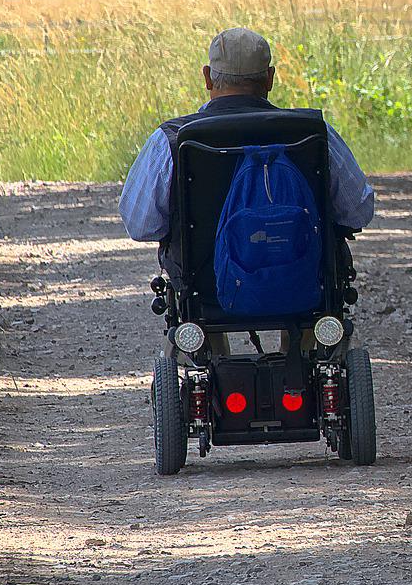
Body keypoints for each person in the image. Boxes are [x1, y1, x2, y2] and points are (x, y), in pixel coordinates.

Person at [119, 27, 375, 352]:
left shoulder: (171, 139)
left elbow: (142, 226)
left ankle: (210, 380)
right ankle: (298, 366)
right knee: (317, 293)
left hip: (206, 287)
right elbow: (358, 211)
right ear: (269, 78)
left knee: (194, 302)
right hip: (305, 281)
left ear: (208, 78)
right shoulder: (313, 134)